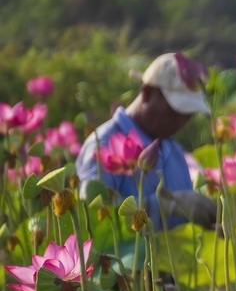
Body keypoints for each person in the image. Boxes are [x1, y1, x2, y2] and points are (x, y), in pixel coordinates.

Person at [77, 52, 217, 229]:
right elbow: (94, 220)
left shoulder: (175, 152)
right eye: (176, 110)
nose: (182, 121)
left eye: (189, 114)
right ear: (147, 94)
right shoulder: (103, 144)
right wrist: (167, 207)